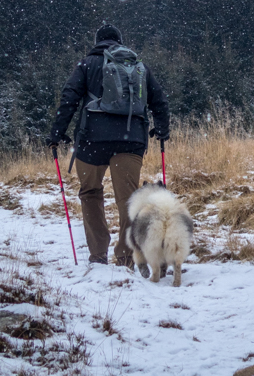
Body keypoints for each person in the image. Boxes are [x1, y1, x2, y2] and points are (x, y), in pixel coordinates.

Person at [47, 23, 170, 268]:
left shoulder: (87, 64)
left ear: (97, 41)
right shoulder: (138, 66)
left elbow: (69, 97)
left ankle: (98, 255)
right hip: (131, 139)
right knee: (128, 199)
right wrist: (162, 130)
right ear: (120, 41)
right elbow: (160, 100)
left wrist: (56, 133)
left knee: (90, 193)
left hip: (92, 140)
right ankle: (126, 257)